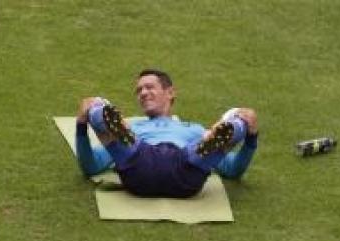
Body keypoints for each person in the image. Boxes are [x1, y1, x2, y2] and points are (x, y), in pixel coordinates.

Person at [75, 68, 259, 198]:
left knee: (225, 130)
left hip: (183, 168)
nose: (143, 93)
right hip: (142, 164)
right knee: (100, 115)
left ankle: (233, 124)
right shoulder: (134, 126)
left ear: (170, 92)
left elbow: (233, 170)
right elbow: (92, 166)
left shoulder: (194, 129)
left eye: (149, 87)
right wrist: (81, 124)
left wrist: (251, 137)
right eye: (139, 90)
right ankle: (99, 111)